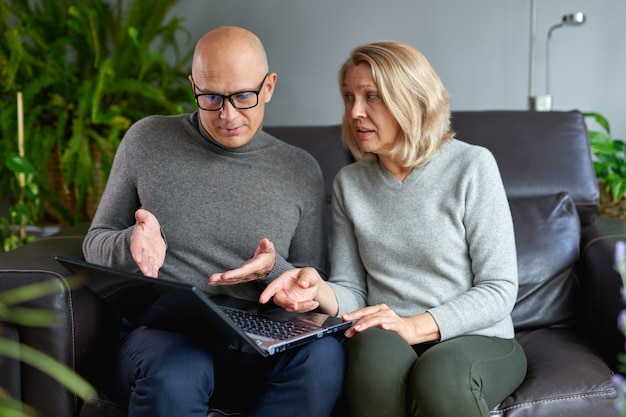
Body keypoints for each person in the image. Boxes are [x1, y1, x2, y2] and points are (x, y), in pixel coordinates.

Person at [82, 26, 345, 417]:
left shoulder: (299, 169)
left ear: (269, 86)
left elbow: (312, 277)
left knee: (322, 358)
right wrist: (130, 241)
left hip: (258, 336)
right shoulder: (147, 139)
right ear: (193, 85)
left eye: (243, 96)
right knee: (179, 370)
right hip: (165, 335)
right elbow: (94, 242)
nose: (227, 115)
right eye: (210, 97)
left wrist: (275, 271)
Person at [260, 40, 527, 417]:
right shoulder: (349, 183)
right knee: (368, 352)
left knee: (440, 373)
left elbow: (499, 289)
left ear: (415, 100)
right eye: (349, 97)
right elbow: (353, 291)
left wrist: (414, 327)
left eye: (372, 96)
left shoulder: (472, 166)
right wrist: (317, 288)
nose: (355, 112)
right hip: (388, 336)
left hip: (477, 338)